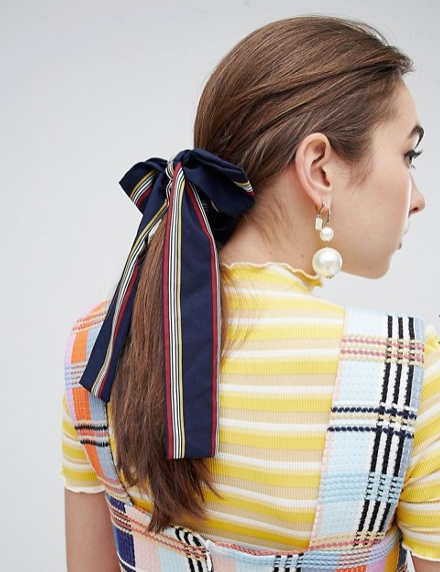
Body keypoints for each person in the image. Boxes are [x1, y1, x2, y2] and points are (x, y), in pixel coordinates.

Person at [61, 16, 440, 572]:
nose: (418, 198)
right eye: (408, 156)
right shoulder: (411, 377)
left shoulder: (98, 348)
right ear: (320, 169)